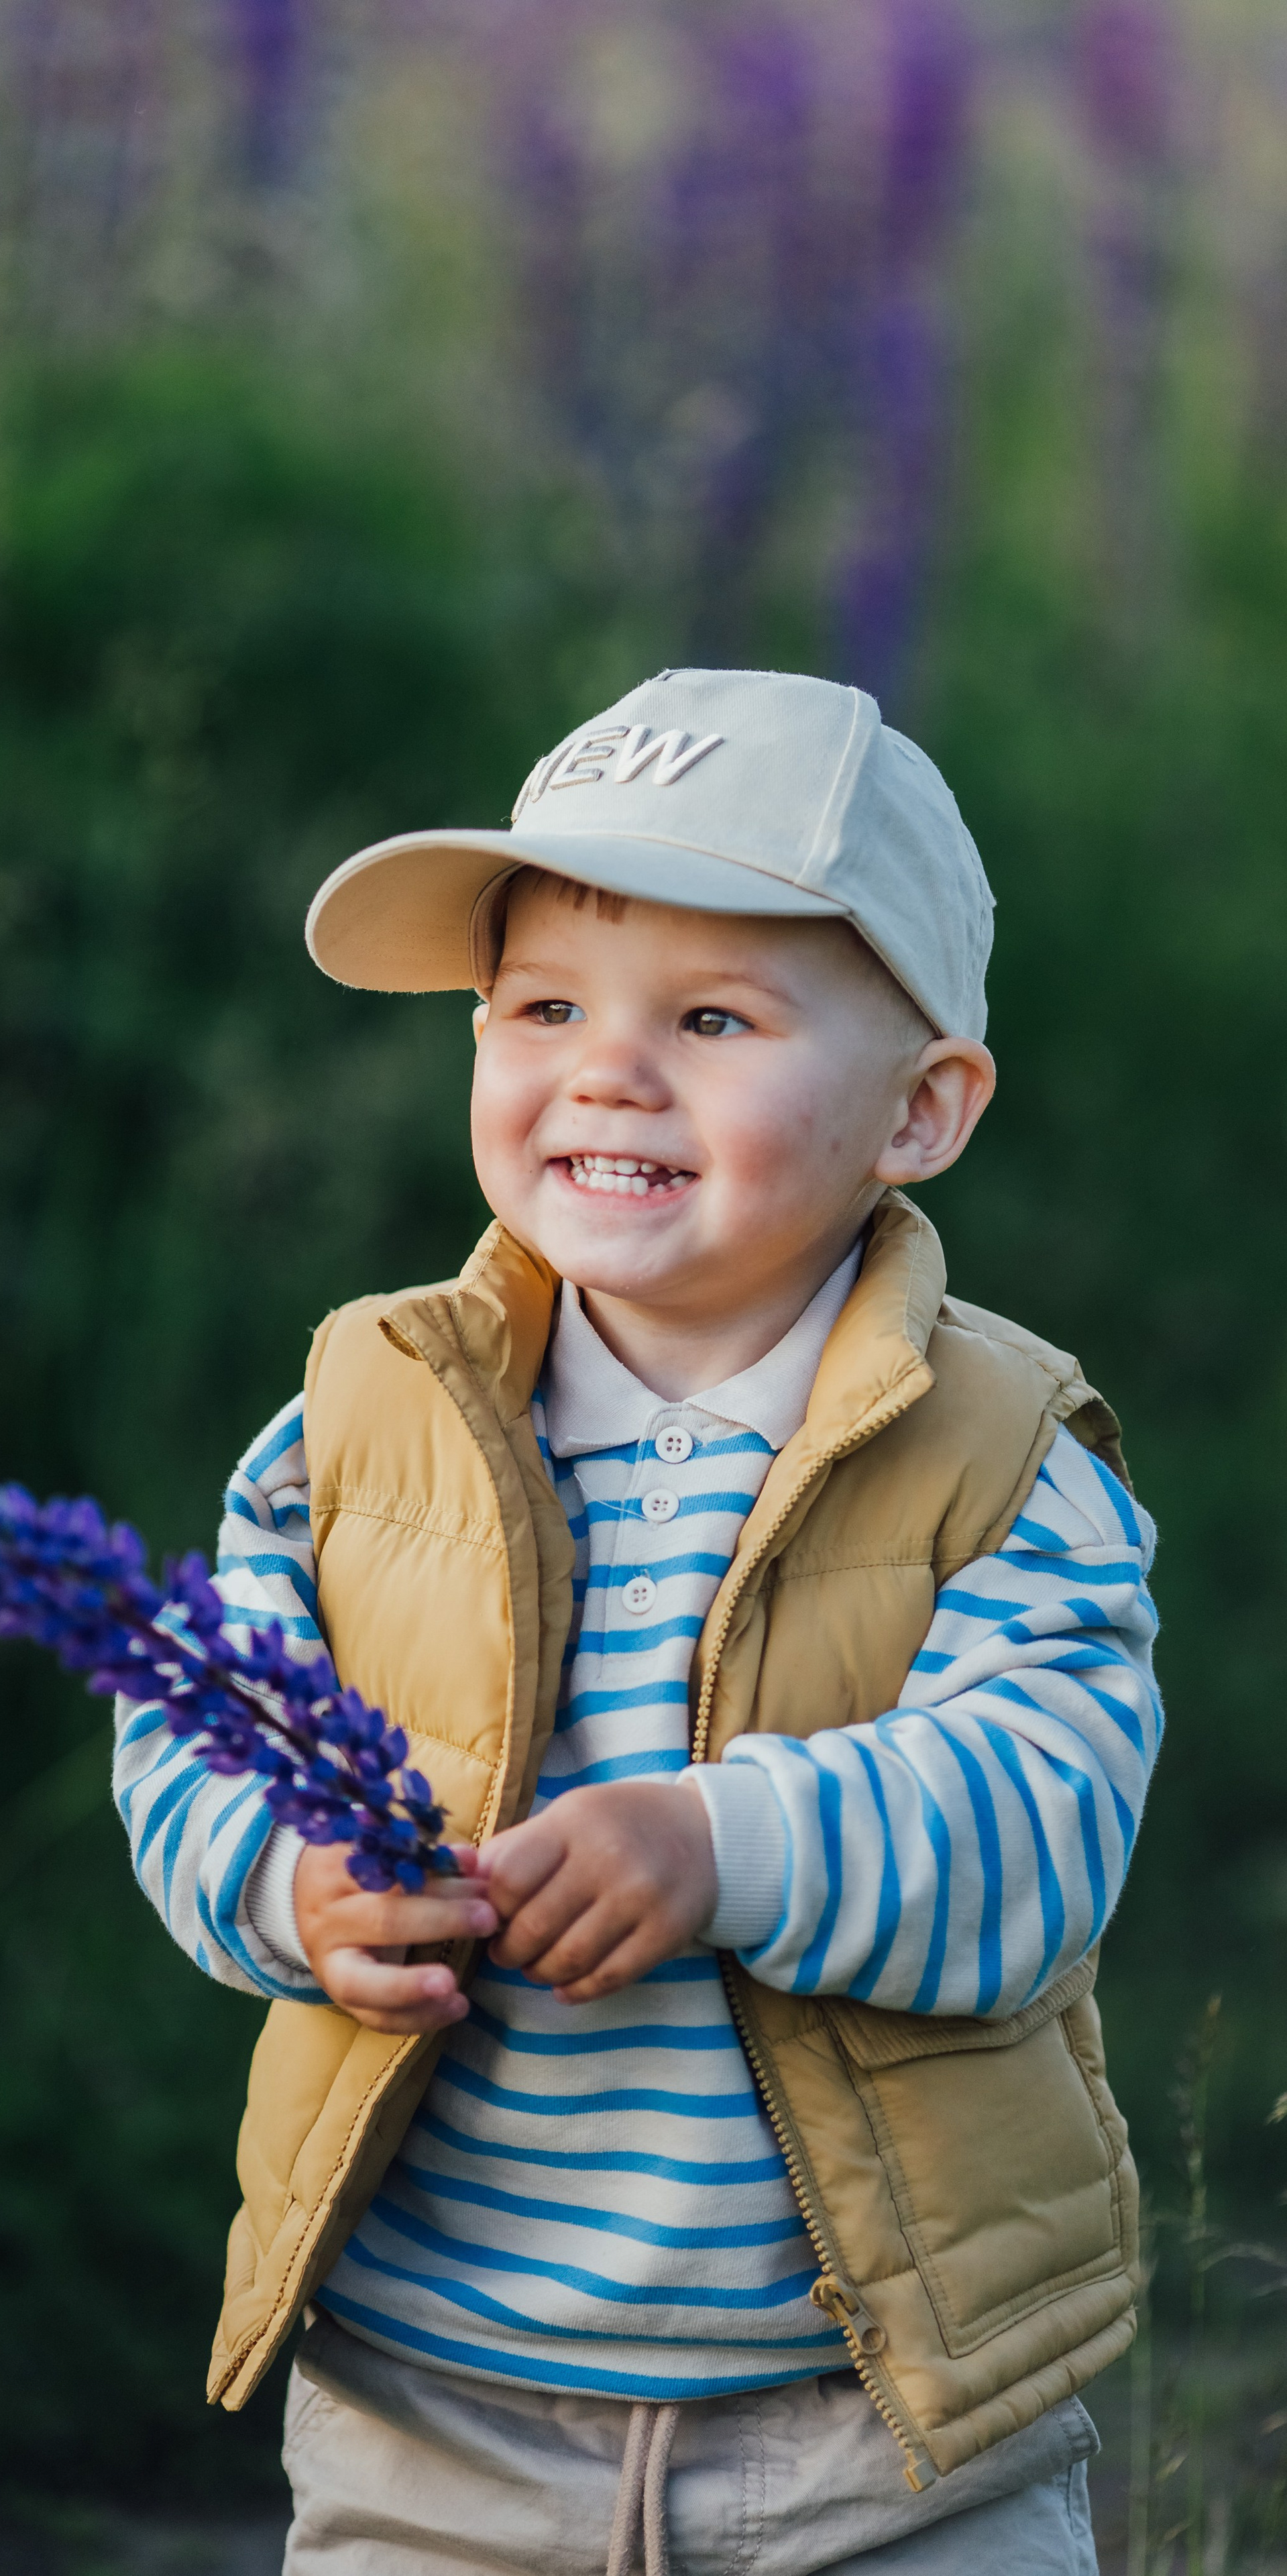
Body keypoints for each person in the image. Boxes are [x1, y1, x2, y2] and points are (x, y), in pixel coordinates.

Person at [113, 668, 1160, 2576]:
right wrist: (291, 1885)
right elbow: (195, 1712)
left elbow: (1044, 1821)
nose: (607, 1073)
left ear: (920, 1109)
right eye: (544, 1009)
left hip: (879, 2437)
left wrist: (720, 1843)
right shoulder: (367, 1421)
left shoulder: (999, 1455)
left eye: (711, 1018)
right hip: (433, 2414)